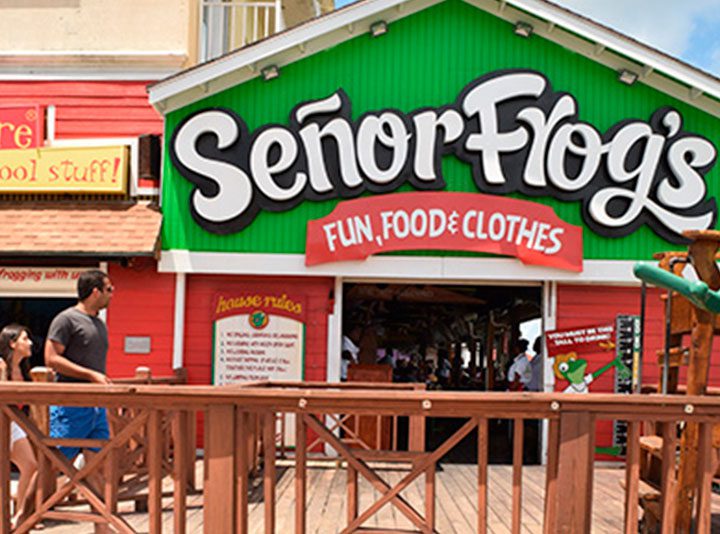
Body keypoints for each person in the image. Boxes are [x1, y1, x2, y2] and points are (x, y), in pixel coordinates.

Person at [45, 270, 113, 533]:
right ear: (95, 292)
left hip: (97, 407)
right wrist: (91, 375)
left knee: (97, 468)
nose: (112, 294)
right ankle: (19, 521)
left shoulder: (99, 323)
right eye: (109, 289)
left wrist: (100, 379)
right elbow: (51, 358)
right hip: (71, 404)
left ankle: (102, 529)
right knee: (52, 466)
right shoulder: (66, 319)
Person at [0, 324, 39, 529]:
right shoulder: (0, 366)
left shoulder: (24, 370)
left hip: (13, 425)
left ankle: (20, 516)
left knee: (31, 466)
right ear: (12, 343)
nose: (30, 343)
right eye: (25, 339)